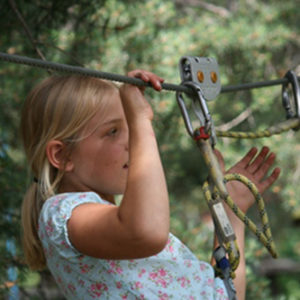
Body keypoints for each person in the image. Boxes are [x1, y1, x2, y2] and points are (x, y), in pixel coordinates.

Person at [20, 69, 280, 300]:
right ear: (62, 156)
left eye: (131, 127)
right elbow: (148, 232)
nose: (133, 140)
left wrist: (229, 210)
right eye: (112, 131)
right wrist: (141, 120)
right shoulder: (62, 213)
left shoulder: (119, 227)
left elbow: (226, 294)